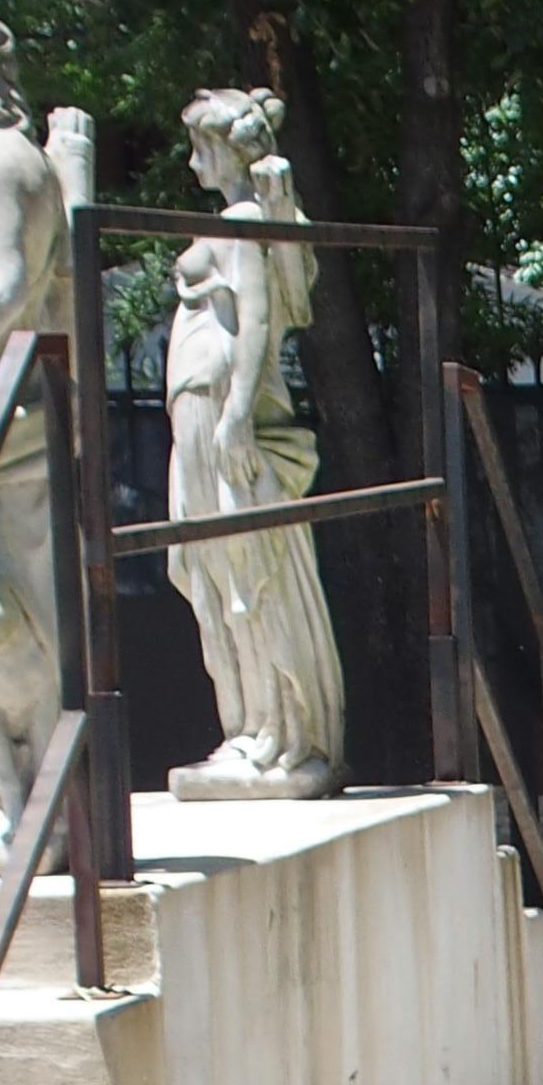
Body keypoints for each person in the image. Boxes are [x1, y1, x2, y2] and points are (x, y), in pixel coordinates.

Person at [165, 87, 346, 800]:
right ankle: (248, 728)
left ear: (225, 150)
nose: (189, 160)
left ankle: (277, 731)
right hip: (202, 416)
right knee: (216, 575)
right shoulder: (244, 219)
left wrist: (236, 415)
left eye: (199, 147)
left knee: (248, 574)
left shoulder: (243, 220)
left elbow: (263, 318)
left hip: (221, 416)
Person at [0, 7, 73, 850]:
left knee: (11, 624)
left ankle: (38, 807)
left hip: (3, 429)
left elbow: (5, 288)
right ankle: (8, 803)